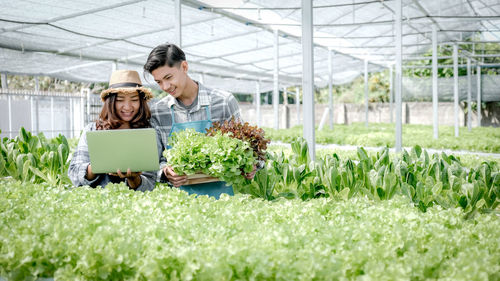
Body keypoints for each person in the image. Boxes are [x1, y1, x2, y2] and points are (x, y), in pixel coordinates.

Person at [144, 43, 256, 199]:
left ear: (184, 66)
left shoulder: (223, 102)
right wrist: (165, 172)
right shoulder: (158, 111)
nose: (165, 86)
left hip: (224, 199)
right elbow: (154, 163)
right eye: (159, 82)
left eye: (168, 77)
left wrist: (251, 165)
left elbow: (248, 148)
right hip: (179, 203)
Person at [68, 70, 156, 191]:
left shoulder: (147, 132)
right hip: (98, 204)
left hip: (137, 206)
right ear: (110, 102)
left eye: (134, 100)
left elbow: (151, 182)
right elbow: (74, 174)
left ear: (141, 102)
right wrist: (100, 164)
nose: (127, 106)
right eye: (120, 100)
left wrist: (133, 178)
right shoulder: (93, 130)